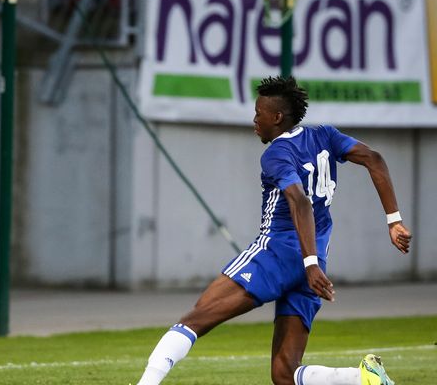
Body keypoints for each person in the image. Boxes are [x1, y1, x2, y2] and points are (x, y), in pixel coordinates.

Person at [134, 76, 412, 385]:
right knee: (284, 374)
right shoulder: (324, 135)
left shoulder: (276, 154)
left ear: (277, 117)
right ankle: (362, 379)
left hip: (277, 255)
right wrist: (394, 220)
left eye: (258, 114)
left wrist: (308, 264)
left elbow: (300, 203)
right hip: (315, 257)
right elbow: (373, 159)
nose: (254, 121)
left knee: (195, 319)